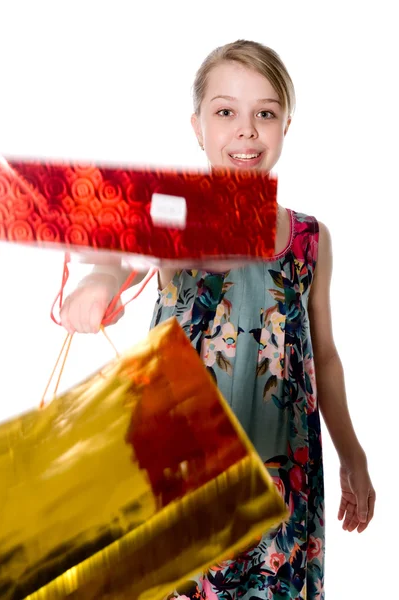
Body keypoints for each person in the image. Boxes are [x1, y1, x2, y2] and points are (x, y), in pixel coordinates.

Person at [60, 40, 375, 600]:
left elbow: (323, 357)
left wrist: (353, 453)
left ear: (286, 124)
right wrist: (101, 281)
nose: (247, 131)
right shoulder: (172, 216)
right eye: (226, 112)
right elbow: (114, 252)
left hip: (283, 488)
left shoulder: (309, 239)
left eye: (266, 113)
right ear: (197, 125)